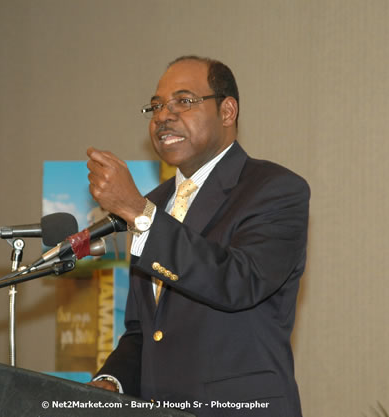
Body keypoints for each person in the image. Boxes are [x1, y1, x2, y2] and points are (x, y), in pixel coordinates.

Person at [86, 55, 309, 417]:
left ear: (227, 111)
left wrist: (139, 214)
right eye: (156, 106)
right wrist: (113, 380)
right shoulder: (155, 204)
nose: (163, 116)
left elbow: (237, 282)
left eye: (183, 101)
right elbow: (146, 331)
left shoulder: (275, 189)